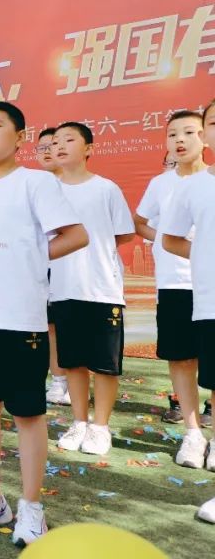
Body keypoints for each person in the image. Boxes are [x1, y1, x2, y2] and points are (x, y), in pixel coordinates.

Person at [0, 101, 88, 548]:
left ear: (20, 137)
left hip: (20, 317)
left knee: (28, 413)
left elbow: (76, 234)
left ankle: (31, 505)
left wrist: (26, 256)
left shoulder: (36, 183)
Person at [47, 123, 135, 456]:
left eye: (69, 140)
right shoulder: (47, 190)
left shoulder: (106, 189)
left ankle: (100, 427)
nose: (60, 146)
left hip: (102, 289)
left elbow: (123, 233)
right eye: (55, 141)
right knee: (73, 363)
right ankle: (79, 422)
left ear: (88, 148)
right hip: (62, 287)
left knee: (105, 364)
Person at [135, 110, 211, 467]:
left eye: (189, 133)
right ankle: (193, 434)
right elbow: (142, 222)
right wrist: (160, 241)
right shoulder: (161, 184)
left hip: (209, 285)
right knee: (181, 358)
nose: (179, 141)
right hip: (175, 281)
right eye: (172, 135)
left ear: (205, 138)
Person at [162, 98, 215, 522]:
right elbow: (169, 238)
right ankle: (195, 435)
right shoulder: (192, 187)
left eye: (190, 132)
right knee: (191, 364)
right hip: (202, 297)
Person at [37, 125, 70, 407]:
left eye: (54, 145)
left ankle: (77, 379)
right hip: (43, 265)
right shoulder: (32, 185)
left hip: (74, 268)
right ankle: (58, 380)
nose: (48, 151)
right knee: (50, 326)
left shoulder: (78, 185)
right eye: (42, 147)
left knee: (73, 325)